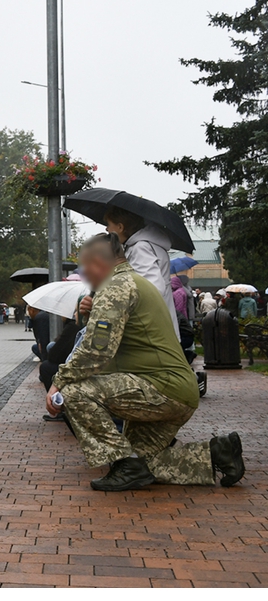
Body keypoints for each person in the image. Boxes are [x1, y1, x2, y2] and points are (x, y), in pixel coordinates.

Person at [47, 233, 245, 491]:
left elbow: (96, 352)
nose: (85, 275)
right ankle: (219, 453)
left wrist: (58, 382)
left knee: (73, 392)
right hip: (176, 390)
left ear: (98, 262)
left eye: (85, 266)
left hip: (159, 388)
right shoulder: (134, 282)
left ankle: (123, 464)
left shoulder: (116, 287)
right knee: (145, 464)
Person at [103, 206, 179, 336]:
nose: (107, 229)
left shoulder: (140, 248)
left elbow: (153, 289)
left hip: (152, 331)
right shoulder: (147, 245)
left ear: (120, 227)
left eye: (109, 225)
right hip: (159, 327)